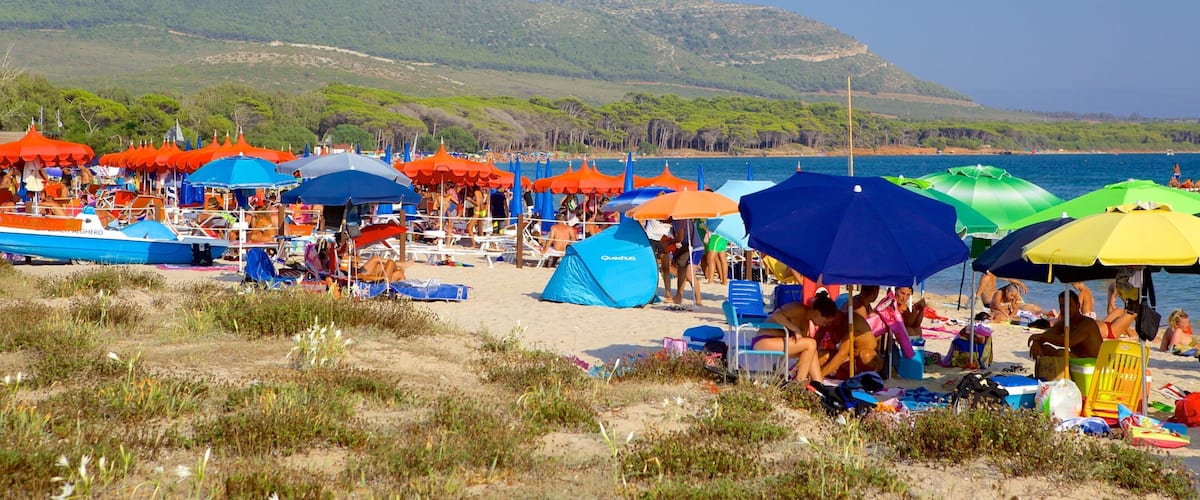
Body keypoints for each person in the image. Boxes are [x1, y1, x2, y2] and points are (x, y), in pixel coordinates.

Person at [751, 291, 840, 383]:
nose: (825, 325)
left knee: (812, 349)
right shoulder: (798, 309)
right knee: (811, 343)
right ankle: (798, 383)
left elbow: (805, 350)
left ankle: (818, 383)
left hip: (775, 342)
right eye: (825, 321)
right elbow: (776, 315)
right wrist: (795, 329)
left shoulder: (806, 322)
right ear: (817, 312)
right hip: (763, 341)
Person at [1028, 290, 1102, 360]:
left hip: (1094, 364)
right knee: (1045, 348)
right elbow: (1047, 334)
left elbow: (1068, 342)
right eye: (1062, 306)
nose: (1065, 309)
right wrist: (1037, 343)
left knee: (1061, 353)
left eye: (1069, 305)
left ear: (1078, 306)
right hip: (1078, 361)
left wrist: (1041, 337)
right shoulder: (1065, 322)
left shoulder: (1087, 323)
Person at [817, 304, 879, 379]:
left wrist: (820, 375)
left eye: (826, 322)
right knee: (820, 355)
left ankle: (864, 379)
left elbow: (843, 354)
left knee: (865, 355)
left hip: (868, 359)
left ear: (834, 315)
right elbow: (815, 342)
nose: (825, 324)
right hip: (848, 360)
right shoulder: (828, 323)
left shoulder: (851, 321)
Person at [669, 217, 704, 307]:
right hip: (687, 247)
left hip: (696, 248)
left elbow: (680, 237)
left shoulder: (682, 221)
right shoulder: (675, 222)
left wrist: (669, 242)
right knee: (681, 271)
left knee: (690, 274)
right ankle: (678, 296)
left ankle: (698, 300)